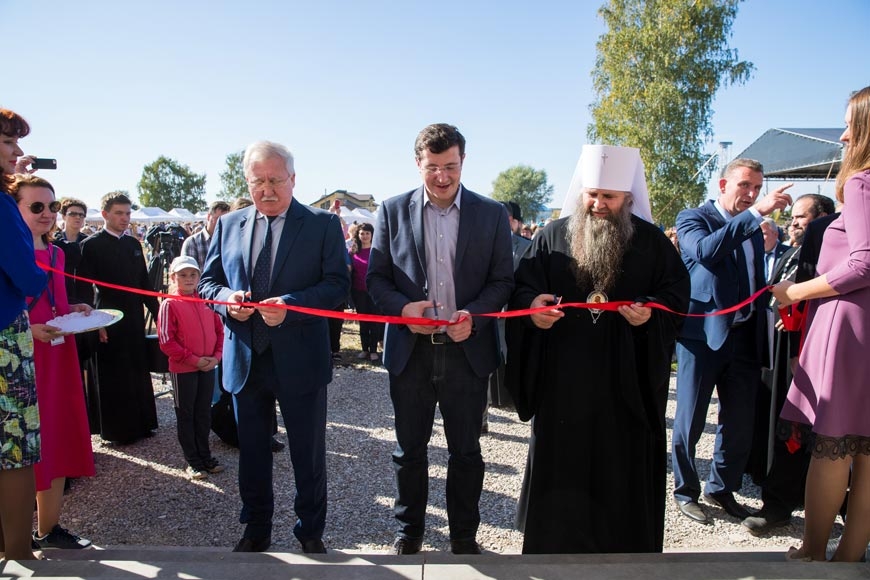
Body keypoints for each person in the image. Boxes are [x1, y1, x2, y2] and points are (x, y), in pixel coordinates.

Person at [505, 144, 689, 553]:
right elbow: (521, 290)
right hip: (563, 381)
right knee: (562, 463)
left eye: (609, 196)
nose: (599, 204)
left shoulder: (652, 243)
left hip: (627, 382)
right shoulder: (552, 236)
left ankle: (623, 554)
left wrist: (651, 315)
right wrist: (532, 310)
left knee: (621, 465)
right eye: (592, 194)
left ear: (628, 197)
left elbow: (676, 298)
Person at [367, 123, 514, 555]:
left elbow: (502, 281)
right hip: (410, 352)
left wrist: (476, 317)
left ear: (463, 161)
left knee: (466, 451)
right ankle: (409, 532)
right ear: (418, 163)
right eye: (433, 167)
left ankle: (464, 536)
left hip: (467, 352)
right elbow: (376, 279)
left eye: (450, 166)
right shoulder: (391, 211)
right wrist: (402, 310)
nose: (442, 176)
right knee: (408, 450)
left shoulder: (490, 214)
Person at [198, 140, 349, 554]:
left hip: (300, 358)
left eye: (275, 180)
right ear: (247, 182)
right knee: (252, 452)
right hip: (245, 359)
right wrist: (227, 300)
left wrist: (292, 307)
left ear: (293, 179)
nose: (266, 190)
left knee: (307, 452)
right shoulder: (229, 224)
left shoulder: (321, 224)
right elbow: (207, 284)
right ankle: (255, 528)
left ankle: (310, 531)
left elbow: (338, 286)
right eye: (257, 181)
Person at [772, 86, 870, 562]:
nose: (844, 136)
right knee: (867, 450)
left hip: (849, 326)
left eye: (850, 125)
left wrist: (796, 292)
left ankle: (813, 553)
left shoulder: (862, 183)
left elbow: (864, 262)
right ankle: (849, 557)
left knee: (833, 446)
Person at [671, 158, 793, 524]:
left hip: (745, 338)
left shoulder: (753, 228)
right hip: (702, 338)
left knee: (739, 422)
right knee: (691, 419)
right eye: (745, 185)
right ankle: (685, 491)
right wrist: (757, 213)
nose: (752, 194)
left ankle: (722, 488)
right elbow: (707, 252)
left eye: (757, 188)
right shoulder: (693, 218)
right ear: (723, 185)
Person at [9, 175, 96, 550]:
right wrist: (29, 329)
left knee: (58, 437)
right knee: (22, 445)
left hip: (59, 355)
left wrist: (76, 309)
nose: (47, 213)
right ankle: (14, 534)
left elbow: (56, 304)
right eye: (36, 206)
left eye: (52, 206)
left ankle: (48, 528)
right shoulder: (9, 252)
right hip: (22, 358)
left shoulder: (58, 254)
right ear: (14, 209)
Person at [743, 194, 833, 536]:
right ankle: (779, 499)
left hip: (813, 348)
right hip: (782, 351)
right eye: (792, 217)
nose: (793, 223)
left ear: (822, 217)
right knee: (784, 424)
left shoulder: (829, 242)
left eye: (801, 217)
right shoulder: (793, 250)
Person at [0, 108, 46, 561]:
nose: (17, 152)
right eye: (9, 143)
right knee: (15, 449)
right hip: (5, 340)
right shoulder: (1, 207)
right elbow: (26, 275)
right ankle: (17, 553)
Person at [77, 192, 160, 444]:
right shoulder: (91, 245)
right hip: (108, 318)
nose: (125, 218)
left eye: (128, 213)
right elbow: (84, 289)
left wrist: (159, 315)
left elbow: (144, 284)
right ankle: (118, 431)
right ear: (105, 214)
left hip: (134, 318)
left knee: (137, 370)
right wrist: (95, 323)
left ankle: (143, 424)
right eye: (119, 213)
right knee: (114, 375)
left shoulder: (133, 244)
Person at [158, 256, 225, 480]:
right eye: (183, 275)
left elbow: (219, 331)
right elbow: (167, 341)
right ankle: (193, 461)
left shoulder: (206, 301)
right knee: (186, 414)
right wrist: (193, 360)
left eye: (193, 274)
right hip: (184, 369)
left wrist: (216, 357)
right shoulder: (169, 304)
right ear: (173, 277)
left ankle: (205, 456)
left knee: (203, 413)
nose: (189, 279)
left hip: (208, 367)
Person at [349, 222, 383, 362]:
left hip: (374, 292)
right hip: (358, 292)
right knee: (363, 321)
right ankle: (364, 349)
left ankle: (374, 350)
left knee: (374, 321)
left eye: (367, 233)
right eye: (362, 233)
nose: (364, 236)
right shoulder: (352, 252)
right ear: (358, 235)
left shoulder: (377, 251)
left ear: (372, 235)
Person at [181, 201, 230, 270]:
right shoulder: (192, 242)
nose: (223, 223)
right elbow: (188, 272)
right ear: (208, 217)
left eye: (226, 220)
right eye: (219, 219)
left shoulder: (230, 241)